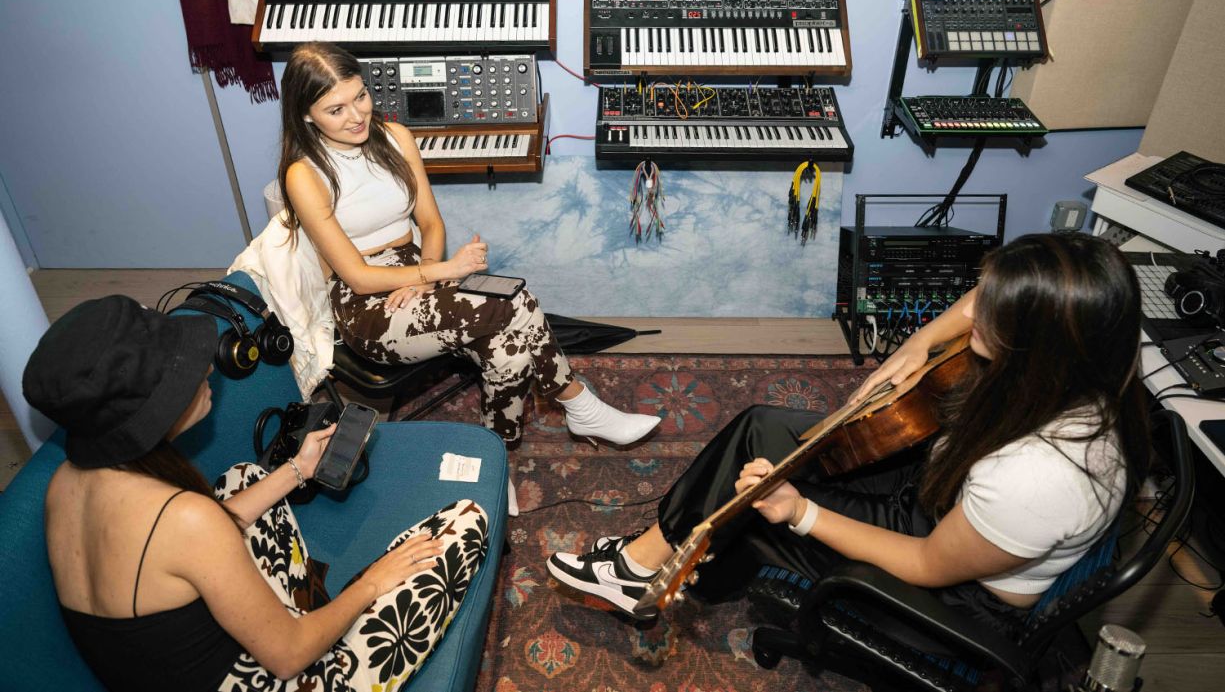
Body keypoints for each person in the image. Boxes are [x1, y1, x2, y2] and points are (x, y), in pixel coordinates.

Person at [546, 234, 1151, 639]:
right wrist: (918, 345)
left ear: (1036, 343)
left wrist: (802, 513)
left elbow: (926, 561)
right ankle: (663, 558)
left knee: (765, 504)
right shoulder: (1082, 361)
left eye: (995, 308)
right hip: (950, 494)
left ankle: (651, 567)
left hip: (952, 593)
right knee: (763, 427)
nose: (975, 312)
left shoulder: (1042, 475)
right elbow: (975, 304)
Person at [29, 296, 489, 691]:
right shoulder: (184, 519)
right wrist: (373, 583)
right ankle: (326, 620)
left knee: (245, 477)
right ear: (146, 411)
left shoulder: (64, 483)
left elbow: (188, 546)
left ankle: (305, 608)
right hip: (278, 672)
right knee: (467, 521)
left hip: (193, 656)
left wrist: (298, 469)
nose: (207, 367)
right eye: (181, 372)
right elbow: (288, 658)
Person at [275, 41, 659, 447]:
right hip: (368, 306)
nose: (356, 116)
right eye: (336, 110)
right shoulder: (304, 174)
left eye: (361, 96)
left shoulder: (396, 138)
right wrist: (444, 271)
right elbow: (357, 277)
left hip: (417, 272)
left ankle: (496, 455)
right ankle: (579, 405)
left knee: (508, 352)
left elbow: (430, 223)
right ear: (306, 115)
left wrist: (424, 280)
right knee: (515, 298)